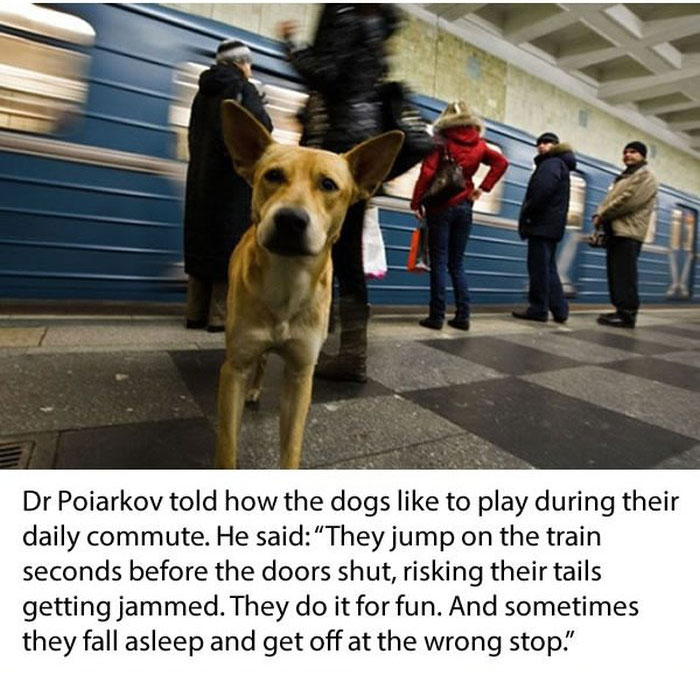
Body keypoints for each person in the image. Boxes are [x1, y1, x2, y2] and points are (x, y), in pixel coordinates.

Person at [277, 4, 400, 382]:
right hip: (358, 146)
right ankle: (339, 342)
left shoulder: (346, 13)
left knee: (336, 251)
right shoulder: (377, 24)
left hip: (336, 142)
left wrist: (291, 46)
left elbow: (326, 72)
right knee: (341, 251)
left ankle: (346, 352)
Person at [183, 39, 272, 332]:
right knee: (227, 245)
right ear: (240, 62)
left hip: (200, 178)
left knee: (201, 241)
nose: (250, 67)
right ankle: (219, 317)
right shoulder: (243, 89)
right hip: (231, 183)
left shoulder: (202, 92)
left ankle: (194, 313)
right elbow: (262, 129)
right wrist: (260, 100)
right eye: (248, 62)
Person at [410, 101, 508, 330]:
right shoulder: (480, 143)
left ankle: (437, 316)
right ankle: (463, 316)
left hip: (440, 207)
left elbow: (427, 172)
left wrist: (416, 202)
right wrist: (482, 188)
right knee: (457, 263)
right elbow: (501, 162)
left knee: (439, 262)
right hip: (465, 207)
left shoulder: (440, 140)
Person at [512, 131, 576, 323]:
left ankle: (538, 309)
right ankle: (560, 310)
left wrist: (529, 213)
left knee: (539, 269)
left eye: (547, 143)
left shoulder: (551, 164)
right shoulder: (560, 164)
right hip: (551, 226)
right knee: (549, 269)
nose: (541, 146)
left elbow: (542, 191)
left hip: (541, 225)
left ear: (555, 145)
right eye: (539, 143)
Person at [594, 141, 658, 328]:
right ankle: (620, 310)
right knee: (616, 274)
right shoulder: (625, 176)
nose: (628, 155)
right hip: (617, 231)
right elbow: (611, 199)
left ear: (643, 156)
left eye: (634, 152)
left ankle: (627, 314)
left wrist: (603, 214)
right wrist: (600, 214)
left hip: (629, 232)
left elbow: (628, 200)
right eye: (626, 152)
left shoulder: (646, 176)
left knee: (625, 275)